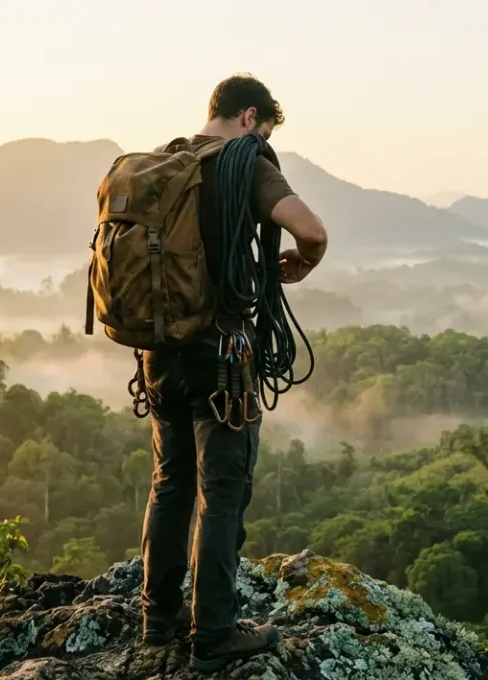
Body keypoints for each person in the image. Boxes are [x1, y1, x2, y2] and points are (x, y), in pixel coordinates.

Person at [138, 74, 328, 673]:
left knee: (170, 484)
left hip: (159, 353)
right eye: (266, 129)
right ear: (250, 118)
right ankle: (214, 633)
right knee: (222, 495)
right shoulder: (245, 162)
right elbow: (312, 230)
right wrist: (302, 261)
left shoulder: (166, 162)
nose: (265, 137)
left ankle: (158, 617)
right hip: (221, 357)